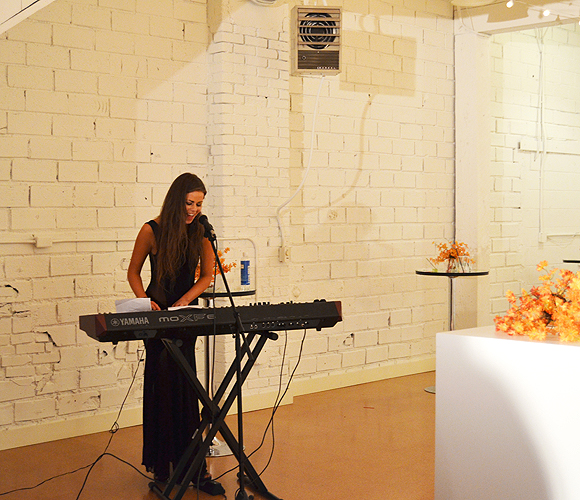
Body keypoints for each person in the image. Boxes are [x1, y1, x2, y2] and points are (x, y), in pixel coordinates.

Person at [127, 172, 224, 495]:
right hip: (157, 317)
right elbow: (133, 272)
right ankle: (164, 467)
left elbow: (207, 275)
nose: (194, 209)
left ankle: (195, 469)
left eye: (199, 204)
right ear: (175, 201)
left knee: (186, 390)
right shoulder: (151, 230)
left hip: (184, 317)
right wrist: (145, 301)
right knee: (162, 390)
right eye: (189, 203)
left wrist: (185, 300)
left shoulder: (201, 232)